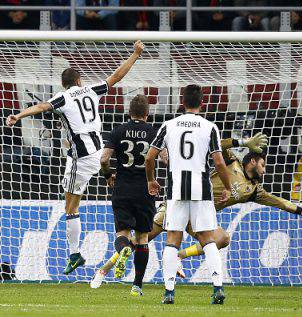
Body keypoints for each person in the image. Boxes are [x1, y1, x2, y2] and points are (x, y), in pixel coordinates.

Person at [91, 133, 302, 287]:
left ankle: (178, 257)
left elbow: (278, 201)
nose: (265, 169)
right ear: (251, 161)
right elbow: (218, 146)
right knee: (141, 241)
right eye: (262, 164)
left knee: (222, 238)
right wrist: (244, 142)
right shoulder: (231, 162)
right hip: (182, 203)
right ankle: (103, 270)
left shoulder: (254, 190)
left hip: (201, 218)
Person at [6, 40, 145, 275]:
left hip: (80, 157)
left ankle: (74, 254)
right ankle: (131, 229)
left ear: (64, 84)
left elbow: (41, 107)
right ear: (79, 80)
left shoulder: (63, 98)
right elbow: (116, 77)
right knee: (114, 186)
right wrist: (136, 54)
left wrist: (18, 115)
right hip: (100, 150)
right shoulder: (91, 90)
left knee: (70, 206)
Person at [146, 84, 232, 305]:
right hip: (202, 190)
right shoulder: (210, 127)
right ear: (202, 103)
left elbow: (149, 157)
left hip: (176, 191)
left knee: (172, 240)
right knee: (208, 239)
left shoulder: (168, 125)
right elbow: (219, 162)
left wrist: (150, 180)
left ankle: (169, 292)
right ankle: (218, 287)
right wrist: (228, 187)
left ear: (182, 102)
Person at [100, 94, 156, 296]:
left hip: (122, 188)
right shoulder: (153, 133)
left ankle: (123, 248)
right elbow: (166, 159)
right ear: (147, 114)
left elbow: (104, 159)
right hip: (145, 190)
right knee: (142, 238)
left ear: (129, 112)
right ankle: (136, 286)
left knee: (122, 234)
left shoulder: (118, 131)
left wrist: (108, 176)